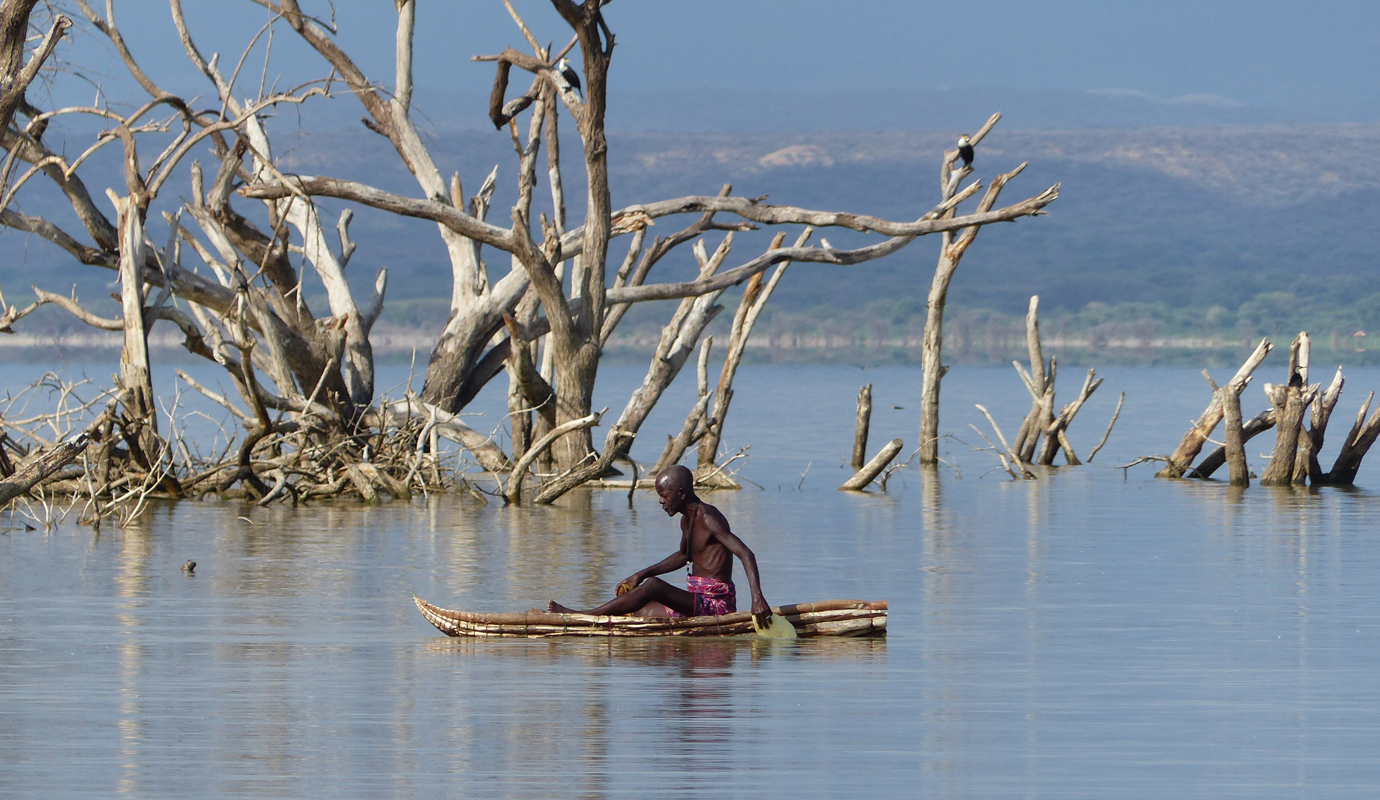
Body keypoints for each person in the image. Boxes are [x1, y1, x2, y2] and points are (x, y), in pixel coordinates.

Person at [547, 465, 772, 628]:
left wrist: (757, 598)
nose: (661, 502)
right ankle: (603, 621)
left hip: (715, 605)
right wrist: (640, 574)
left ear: (681, 494)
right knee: (637, 608)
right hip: (695, 601)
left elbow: (745, 553)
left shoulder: (709, 518)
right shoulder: (687, 520)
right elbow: (684, 556)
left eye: (664, 496)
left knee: (653, 586)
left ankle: (584, 616)